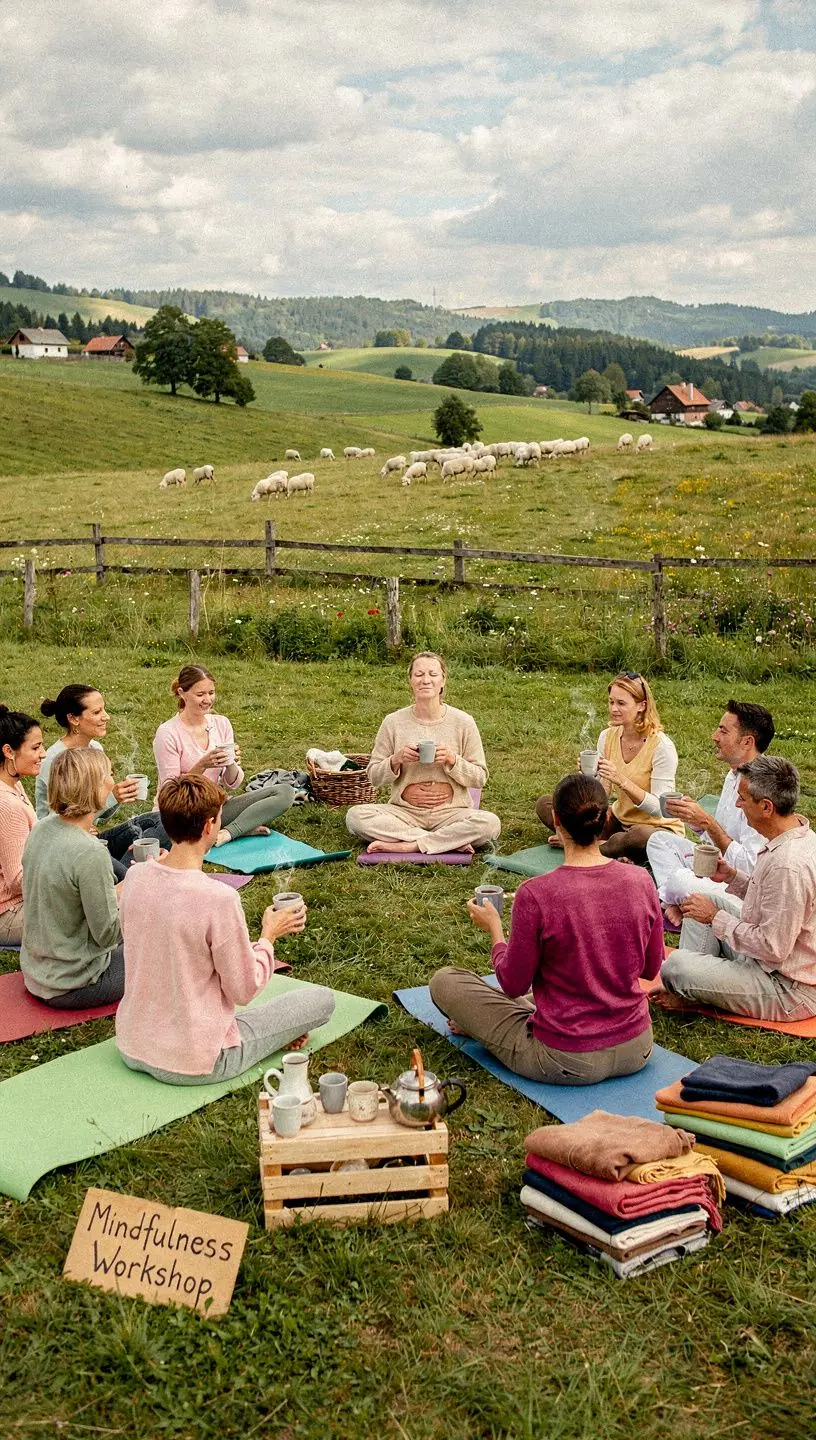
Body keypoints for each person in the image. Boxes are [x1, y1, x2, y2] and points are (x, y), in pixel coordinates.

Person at [430, 773, 663, 1083]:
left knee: (445, 981)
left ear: (555, 819)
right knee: (539, 991)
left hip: (565, 1058)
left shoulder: (536, 893)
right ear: (606, 818)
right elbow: (650, 969)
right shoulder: (642, 881)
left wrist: (495, 931)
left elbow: (512, 984)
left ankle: (492, 1018)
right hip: (637, 1048)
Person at [116, 775, 334, 1084]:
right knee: (321, 1000)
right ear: (209, 826)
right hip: (198, 1059)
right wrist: (268, 937)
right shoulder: (219, 898)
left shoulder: (136, 877)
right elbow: (244, 989)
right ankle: (274, 1035)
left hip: (133, 1044)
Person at [659, 757, 816, 1022]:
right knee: (703, 898)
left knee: (675, 967)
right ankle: (695, 988)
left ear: (766, 807)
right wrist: (733, 877)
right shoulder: (795, 835)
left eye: (743, 799)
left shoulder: (788, 866)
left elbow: (772, 948)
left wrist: (714, 918)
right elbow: (771, 903)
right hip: (768, 963)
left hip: (785, 987)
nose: (737, 804)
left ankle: (689, 986)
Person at [345, 651, 501, 854]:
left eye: (433, 674)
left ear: (443, 681)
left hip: (452, 813)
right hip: (404, 813)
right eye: (419, 674)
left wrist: (452, 760)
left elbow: (479, 778)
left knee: (490, 824)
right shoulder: (393, 722)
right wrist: (396, 760)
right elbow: (373, 776)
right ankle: (443, 842)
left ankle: (408, 844)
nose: (426, 680)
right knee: (355, 817)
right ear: (410, 681)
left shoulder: (463, 722)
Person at [536, 672, 683, 862]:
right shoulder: (607, 737)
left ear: (641, 705)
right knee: (549, 804)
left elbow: (662, 809)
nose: (613, 708)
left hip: (655, 828)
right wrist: (588, 780)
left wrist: (620, 779)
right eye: (611, 702)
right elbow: (601, 795)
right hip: (618, 820)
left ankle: (585, 845)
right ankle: (610, 848)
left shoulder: (662, 747)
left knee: (641, 837)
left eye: (621, 703)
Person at [647, 700, 773, 921]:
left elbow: (752, 867)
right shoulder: (733, 774)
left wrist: (708, 822)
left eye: (723, 731)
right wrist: (694, 819)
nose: (715, 736)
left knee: (679, 880)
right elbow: (719, 838)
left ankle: (673, 899)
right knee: (659, 841)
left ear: (747, 742)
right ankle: (675, 900)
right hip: (719, 869)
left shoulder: (759, 790)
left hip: (741, 887)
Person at [21, 748, 125, 1007]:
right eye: (108, 776)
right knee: (163, 941)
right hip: (75, 983)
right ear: (94, 787)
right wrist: (140, 895)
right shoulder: (89, 853)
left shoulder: (42, 828)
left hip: (37, 971)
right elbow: (109, 935)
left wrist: (119, 890)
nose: (113, 782)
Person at [153, 665, 295, 846]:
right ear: (182, 693)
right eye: (200, 694)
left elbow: (233, 783)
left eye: (211, 693)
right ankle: (236, 829)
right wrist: (202, 765)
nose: (207, 700)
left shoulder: (222, 724)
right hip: (180, 815)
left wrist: (231, 763)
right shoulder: (168, 732)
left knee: (284, 792)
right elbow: (169, 793)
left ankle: (225, 834)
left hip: (215, 809)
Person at [37, 683, 167, 874]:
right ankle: (131, 873)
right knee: (138, 849)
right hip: (66, 848)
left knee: (163, 821)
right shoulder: (56, 760)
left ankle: (125, 867)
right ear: (73, 718)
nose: (106, 716)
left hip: (92, 837)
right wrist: (111, 798)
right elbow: (58, 822)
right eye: (97, 712)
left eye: (103, 710)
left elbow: (99, 817)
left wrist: (116, 798)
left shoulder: (96, 748)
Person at [0, 706, 46, 946]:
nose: (44, 754)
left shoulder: (12, 784)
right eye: (36, 747)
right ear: (8, 751)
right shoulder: (6, 805)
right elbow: (18, 879)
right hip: (9, 912)